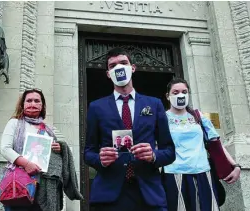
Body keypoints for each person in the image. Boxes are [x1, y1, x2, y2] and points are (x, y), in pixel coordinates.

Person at [84, 47, 176, 211]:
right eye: (113, 66)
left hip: (149, 194)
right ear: (108, 74)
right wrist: (100, 160)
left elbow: (169, 151)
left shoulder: (154, 104)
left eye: (123, 63)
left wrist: (154, 155)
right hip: (109, 196)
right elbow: (88, 152)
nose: (119, 68)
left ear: (132, 68)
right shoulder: (96, 107)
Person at [162, 78, 241, 211]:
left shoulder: (198, 116)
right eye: (175, 92)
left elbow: (216, 143)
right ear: (168, 96)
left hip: (203, 172)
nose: (180, 95)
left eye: (184, 91)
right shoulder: (162, 118)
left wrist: (235, 165)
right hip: (174, 173)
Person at [0, 88, 83, 211]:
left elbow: (53, 158)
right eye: (29, 100)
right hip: (19, 185)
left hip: (43, 188)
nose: (32, 104)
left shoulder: (48, 130)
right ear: (22, 104)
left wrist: (60, 149)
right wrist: (26, 164)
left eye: (36, 101)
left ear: (42, 105)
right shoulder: (14, 123)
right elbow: (5, 149)